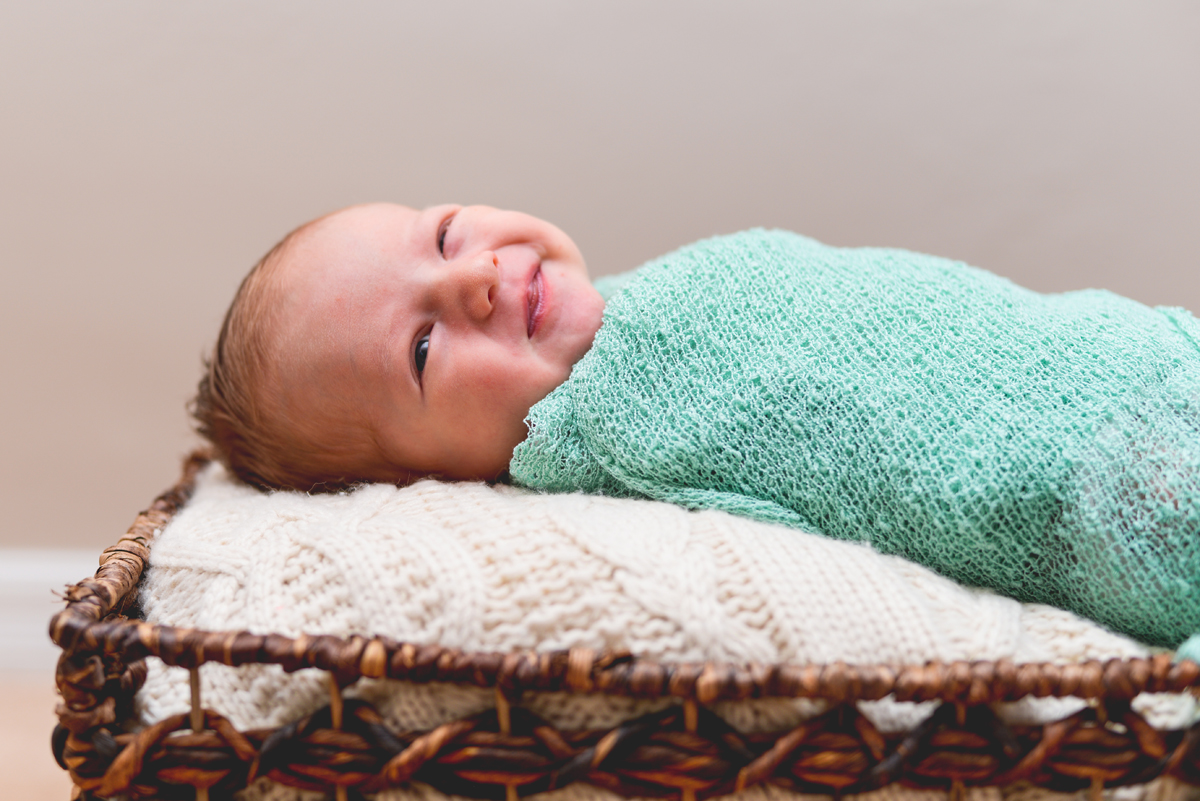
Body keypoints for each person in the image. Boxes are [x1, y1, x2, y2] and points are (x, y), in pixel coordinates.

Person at [195, 201, 1200, 649]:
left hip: (1142, 355)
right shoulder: (605, 451)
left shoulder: (645, 302)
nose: (474, 275)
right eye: (421, 351)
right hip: (1111, 496)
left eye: (443, 233)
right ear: (430, 483)